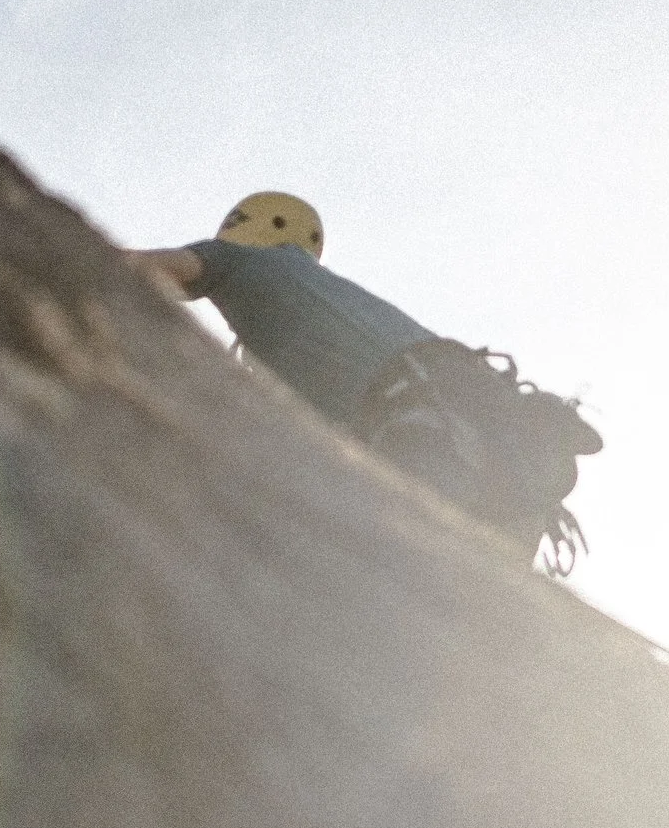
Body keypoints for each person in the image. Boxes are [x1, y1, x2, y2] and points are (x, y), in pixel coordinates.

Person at [129, 192, 600, 573]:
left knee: (396, 592)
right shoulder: (335, 301)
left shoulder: (241, 264)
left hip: (421, 432)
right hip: (509, 470)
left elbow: (142, 268)